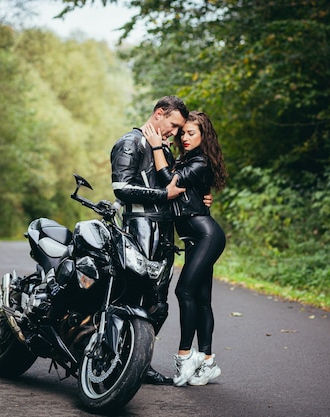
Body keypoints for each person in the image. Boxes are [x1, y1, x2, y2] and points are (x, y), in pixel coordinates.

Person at [110, 96, 212, 385]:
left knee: (158, 306)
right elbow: (121, 187)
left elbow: (180, 184)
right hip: (138, 232)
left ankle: (139, 363)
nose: (176, 133)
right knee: (129, 299)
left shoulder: (165, 150)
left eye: (181, 129)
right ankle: (115, 361)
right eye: (174, 125)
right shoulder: (130, 142)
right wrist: (162, 195)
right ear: (158, 114)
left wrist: (202, 198)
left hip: (165, 238)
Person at [143, 111, 228, 386]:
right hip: (194, 238)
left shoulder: (200, 161)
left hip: (206, 235)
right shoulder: (187, 159)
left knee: (184, 290)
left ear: (204, 136)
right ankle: (207, 361)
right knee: (202, 299)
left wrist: (157, 146)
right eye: (183, 133)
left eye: (192, 133)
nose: (185, 137)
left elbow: (170, 182)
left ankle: (184, 356)